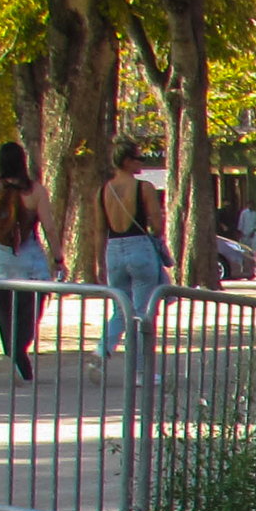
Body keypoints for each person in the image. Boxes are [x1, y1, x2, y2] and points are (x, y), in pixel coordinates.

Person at [95, 139, 166, 380]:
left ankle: (103, 347)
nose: (141, 163)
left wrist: (99, 262)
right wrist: (158, 234)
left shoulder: (103, 190)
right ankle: (140, 371)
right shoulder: (143, 188)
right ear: (127, 161)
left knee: (120, 307)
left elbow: (98, 230)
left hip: (113, 248)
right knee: (142, 311)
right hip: (139, 246)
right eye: (138, 158)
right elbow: (156, 222)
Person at [0, 142, 53, 380]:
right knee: (29, 308)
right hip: (29, 255)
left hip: (1, 255)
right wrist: (58, 255)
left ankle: (13, 351)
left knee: (2, 308)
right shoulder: (36, 191)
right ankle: (20, 351)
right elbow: (49, 226)